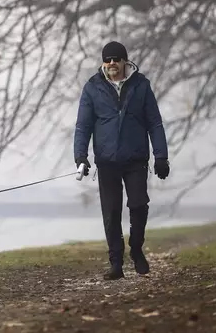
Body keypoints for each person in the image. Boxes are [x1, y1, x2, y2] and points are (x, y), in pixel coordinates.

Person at [73, 41, 170, 280]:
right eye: (108, 60)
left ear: (126, 61)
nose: (112, 63)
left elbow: (155, 123)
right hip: (106, 161)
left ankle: (136, 248)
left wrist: (161, 157)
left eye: (116, 59)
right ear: (103, 62)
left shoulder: (141, 86)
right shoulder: (92, 88)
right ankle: (116, 263)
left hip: (136, 158)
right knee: (111, 212)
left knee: (139, 205)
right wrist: (81, 157)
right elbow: (83, 126)